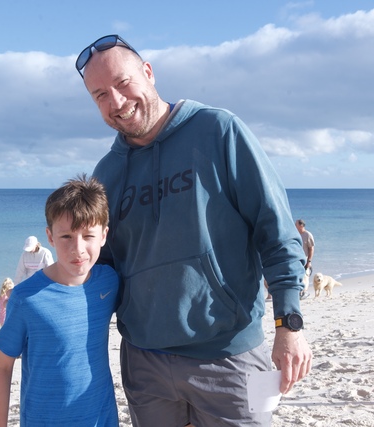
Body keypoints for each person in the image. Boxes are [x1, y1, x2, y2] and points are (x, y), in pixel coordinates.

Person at [76, 34, 312, 426]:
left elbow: (275, 229)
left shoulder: (218, 131)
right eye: (100, 95)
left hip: (229, 355)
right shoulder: (107, 173)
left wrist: (289, 324)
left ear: (148, 72)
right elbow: (102, 268)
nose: (116, 102)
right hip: (144, 363)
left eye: (123, 83)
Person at [0, 174, 119, 427]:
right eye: (66, 237)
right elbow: (2, 367)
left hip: (102, 418)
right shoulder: (26, 298)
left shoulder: (109, 282)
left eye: (88, 236)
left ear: (104, 235)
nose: (78, 248)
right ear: (50, 237)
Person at [295, 219, 315, 300]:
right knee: (297, 277)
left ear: (301, 225)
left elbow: (311, 249)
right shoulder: (295, 234)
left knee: (305, 278)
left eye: (296, 224)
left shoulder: (307, 235)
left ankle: (304, 292)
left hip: (305, 260)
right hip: (296, 260)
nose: (294, 226)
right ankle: (299, 293)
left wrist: (309, 261)